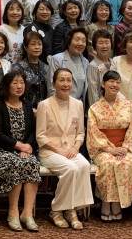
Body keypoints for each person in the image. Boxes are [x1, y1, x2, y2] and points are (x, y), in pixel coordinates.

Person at [37, 67, 94, 229]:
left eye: (68, 80)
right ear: (53, 84)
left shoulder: (78, 104)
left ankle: (71, 210)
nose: (65, 84)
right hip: (50, 151)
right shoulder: (44, 105)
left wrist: (75, 148)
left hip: (70, 149)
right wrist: (58, 150)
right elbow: (40, 136)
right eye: (61, 80)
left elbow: (80, 133)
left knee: (84, 165)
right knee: (70, 169)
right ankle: (56, 210)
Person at [0, 70, 41, 232]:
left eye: (22, 83)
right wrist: (19, 146)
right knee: (17, 163)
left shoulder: (27, 105)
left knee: (32, 163)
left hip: (24, 149)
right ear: (7, 86)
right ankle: (13, 212)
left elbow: (33, 130)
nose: (19, 86)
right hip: (1, 150)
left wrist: (27, 146)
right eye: (15, 83)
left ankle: (27, 213)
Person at [87, 70, 132, 222]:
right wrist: (110, 149)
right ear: (103, 84)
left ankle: (118, 202)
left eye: (118, 82)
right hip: (102, 149)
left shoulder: (127, 106)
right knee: (108, 164)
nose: (115, 85)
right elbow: (93, 133)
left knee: (128, 163)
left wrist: (125, 147)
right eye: (111, 81)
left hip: (123, 147)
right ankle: (106, 202)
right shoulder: (94, 108)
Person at [47, 27, 89, 102]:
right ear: (69, 41)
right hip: (59, 103)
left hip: (79, 105)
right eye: (77, 40)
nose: (80, 43)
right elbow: (51, 88)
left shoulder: (86, 62)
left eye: (83, 41)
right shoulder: (56, 59)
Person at [11, 31, 48, 109]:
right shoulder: (18, 67)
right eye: (33, 44)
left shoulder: (46, 67)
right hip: (24, 108)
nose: (37, 47)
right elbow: (15, 91)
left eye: (39, 44)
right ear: (25, 47)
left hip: (44, 108)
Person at [87, 30, 114, 107]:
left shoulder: (114, 62)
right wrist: (97, 111)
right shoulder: (93, 65)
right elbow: (93, 93)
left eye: (107, 42)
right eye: (101, 43)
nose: (104, 46)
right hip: (100, 108)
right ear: (95, 46)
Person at [0, 0, 25, 64]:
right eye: (11, 9)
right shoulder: (2, 29)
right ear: (6, 12)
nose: (15, 12)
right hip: (5, 66)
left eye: (18, 10)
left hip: (21, 67)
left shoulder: (24, 30)